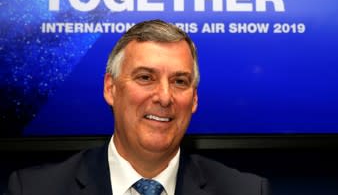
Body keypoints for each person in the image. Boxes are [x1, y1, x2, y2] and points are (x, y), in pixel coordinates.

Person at [7, 20, 270, 195]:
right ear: (110, 88)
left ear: (194, 100)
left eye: (179, 81)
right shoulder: (34, 189)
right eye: (145, 77)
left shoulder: (246, 190)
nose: (165, 97)